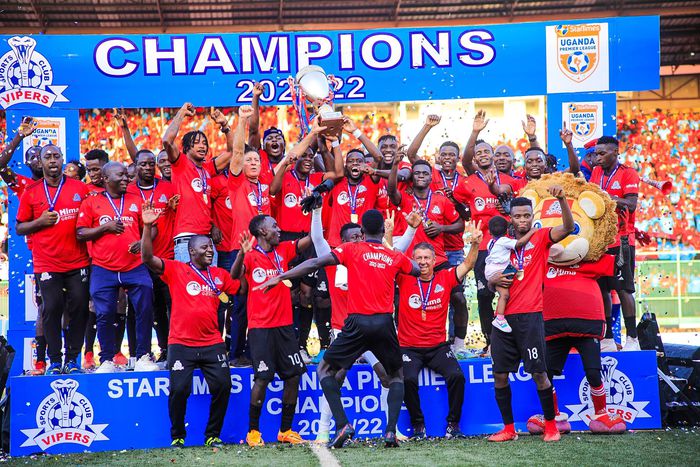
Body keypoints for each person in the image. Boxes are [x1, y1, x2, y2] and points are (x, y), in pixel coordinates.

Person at [254, 209, 420, 449]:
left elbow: (314, 262)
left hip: (356, 323)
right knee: (395, 376)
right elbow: (415, 269)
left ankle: (342, 424)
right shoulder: (392, 255)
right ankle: (390, 432)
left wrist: (281, 277)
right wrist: (388, 250)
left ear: (362, 231)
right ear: (383, 231)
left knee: (324, 370)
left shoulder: (351, 249)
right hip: (384, 323)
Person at [309, 203, 421, 443]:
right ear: (342, 242)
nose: (358, 240)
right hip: (344, 329)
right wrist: (316, 212)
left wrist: (409, 231)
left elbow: (395, 254)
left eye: (359, 236)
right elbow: (317, 239)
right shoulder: (339, 259)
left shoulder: (369, 257)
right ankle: (323, 430)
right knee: (336, 377)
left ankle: (392, 429)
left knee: (385, 375)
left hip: (371, 327)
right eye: (352, 238)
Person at [140, 203, 241, 449]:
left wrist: (243, 255)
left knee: (223, 386)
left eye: (211, 247)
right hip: (181, 343)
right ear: (191, 251)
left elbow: (238, 286)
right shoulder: (177, 269)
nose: (210, 250)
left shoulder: (219, 274)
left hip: (212, 343)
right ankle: (177, 435)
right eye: (204, 247)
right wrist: (147, 227)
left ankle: (212, 435)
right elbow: (147, 258)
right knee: (179, 390)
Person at [486, 189, 574, 443]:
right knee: (500, 374)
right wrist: (492, 281)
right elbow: (490, 281)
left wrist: (561, 200)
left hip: (530, 316)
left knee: (539, 374)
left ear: (532, 216)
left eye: (526, 215)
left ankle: (551, 426)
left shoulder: (541, 237)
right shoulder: (501, 244)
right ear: (511, 218)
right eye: (518, 216)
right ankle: (508, 429)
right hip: (503, 319)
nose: (522, 220)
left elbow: (568, 228)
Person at [233, 215, 311, 447]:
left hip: (285, 327)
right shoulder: (250, 255)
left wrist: (316, 213)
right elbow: (234, 276)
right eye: (274, 226)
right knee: (263, 378)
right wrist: (240, 254)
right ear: (262, 232)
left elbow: (311, 238)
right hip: (261, 328)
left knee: (294, 376)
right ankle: (253, 432)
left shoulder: (283, 250)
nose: (279, 229)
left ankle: (285, 430)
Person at [398, 222, 481, 440]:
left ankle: (453, 425)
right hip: (409, 348)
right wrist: (389, 232)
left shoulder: (445, 277)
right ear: (412, 260)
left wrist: (475, 244)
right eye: (418, 258)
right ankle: (418, 425)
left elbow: (468, 264)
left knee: (457, 376)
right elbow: (391, 256)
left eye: (427, 258)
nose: (423, 262)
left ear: (435, 261)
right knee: (407, 380)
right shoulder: (404, 278)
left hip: (437, 347)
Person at [527, 254, 627, 435]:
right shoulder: (544, 261)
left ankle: (601, 414)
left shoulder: (589, 262)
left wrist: (624, 244)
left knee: (593, 373)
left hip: (586, 327)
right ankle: (553, 416)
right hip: (554, 328)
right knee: (545, 374)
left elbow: (617, 262)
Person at [76, 162, 159, 373]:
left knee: (144, 309)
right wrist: (105, 227)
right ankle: (107, 360)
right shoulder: (91, 202)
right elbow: (81, 233)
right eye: (120, 175)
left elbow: (153, 229)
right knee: (104, 314)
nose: (126, 179)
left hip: (135, 265)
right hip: (103, 267)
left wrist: (142, 241)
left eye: (126, 175)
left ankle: (142, 356)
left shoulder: (136, 200)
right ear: (106, 178)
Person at [16, 145, 91, 375]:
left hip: (78, 261)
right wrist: (39, 222)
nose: (52, 161)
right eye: (47, 157)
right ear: (40, 162)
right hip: (47, 263)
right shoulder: (31, 191)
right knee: (51, 308)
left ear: (62, 160)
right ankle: (55, 361)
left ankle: (73, 359)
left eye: (56, 156)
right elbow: (19, 227)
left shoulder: (80, 188)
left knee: (80, 307)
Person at [454, 110, 521, 356]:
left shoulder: (510, 181)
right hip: (482, 248)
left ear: (493, 155)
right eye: (479, 152)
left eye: (486, 151)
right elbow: (458, 203)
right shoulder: (468, 182)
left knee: (513, 291)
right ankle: (490, 342)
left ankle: (513, 338)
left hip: (508, 247)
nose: (482, 155)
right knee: (484, 294)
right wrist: (475, 132)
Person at [387, 158, 470, 358]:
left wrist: (442, 228)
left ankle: (458, 344)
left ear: (431, 177)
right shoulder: (405, 199)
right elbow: (391, 191)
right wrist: (395, 166)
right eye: (417, 173)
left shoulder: (441, 200)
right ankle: (401, 344)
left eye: (425, 173)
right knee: (399, 302)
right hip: (410, 262)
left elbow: (460, 224)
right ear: (412, 177)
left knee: (458, 298)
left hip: (438, 260)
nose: (421, 176)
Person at [162, 103, 233, 263]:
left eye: (204, 143)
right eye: (197, 142)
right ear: (187, 147)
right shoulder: (180, 164)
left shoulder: (208, 168)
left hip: (207, 239)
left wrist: (225, 125)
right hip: (186, 239)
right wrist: (181, 113)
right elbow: (167, 140)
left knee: (210, 280)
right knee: (189, 280)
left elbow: (232, 152)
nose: (202, 146)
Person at [590, 135, 640, 351]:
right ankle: (608, 338)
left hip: (622, 240)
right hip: (601, 241)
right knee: (602, 290)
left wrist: (606, 197)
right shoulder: (596, 172)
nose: (597, 158)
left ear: (615, 152)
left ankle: (633, 339)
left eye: (602, 153)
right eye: (596, 154)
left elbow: (631, 204)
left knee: (623, 289)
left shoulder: (628, 173)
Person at [126, 150, 178, 363]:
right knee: (147, 309)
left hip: (168, 258)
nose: (147, 168)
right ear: (136, 165)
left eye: (151, 164)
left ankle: (172, 350)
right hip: (139, 262)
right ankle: (142, 354)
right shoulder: (128, 190)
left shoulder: (168, 187)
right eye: (143, 164)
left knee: (172, 307)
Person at [485, 216, 537, 333]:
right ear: (507, 231)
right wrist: (532, 232)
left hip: (491, 269)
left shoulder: (490, 243)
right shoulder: (504, 241)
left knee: (516, 269)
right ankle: (500, 318)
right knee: (505, 295)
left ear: (489, 232)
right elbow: (520, 243)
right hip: (497, 270)